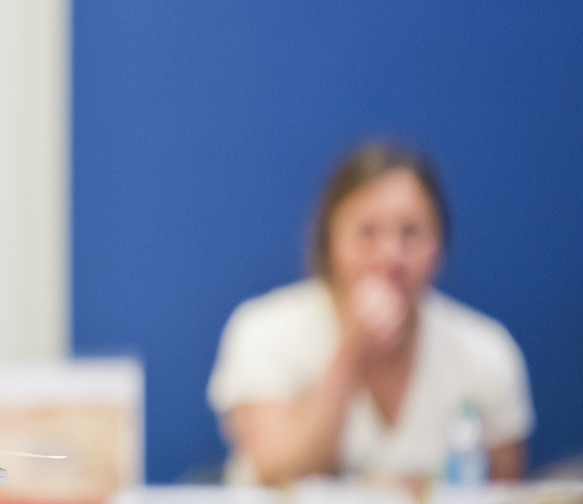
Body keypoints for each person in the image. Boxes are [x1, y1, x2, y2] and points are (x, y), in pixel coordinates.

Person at [208, 141, 533, 486]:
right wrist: (349, 355)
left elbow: (504, 490)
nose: (390, 255)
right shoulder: (263, 330)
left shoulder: (486, 351)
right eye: (367, 233)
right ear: (330, 242)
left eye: (410, 233)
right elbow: (279, 474)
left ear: (438, 247)